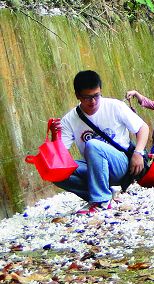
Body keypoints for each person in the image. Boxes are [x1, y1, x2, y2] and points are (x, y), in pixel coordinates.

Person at [54, 70, 149, 214]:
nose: (93, 101)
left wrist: (138, 153)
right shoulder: (69, 119)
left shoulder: (114, 106)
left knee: (92, 145)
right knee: (56, 171)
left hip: (120, 164)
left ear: (100, 92)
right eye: (87, 97)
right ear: (78, 96)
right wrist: (55, 135)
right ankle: (104, 194)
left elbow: (143, 128)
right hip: (93, 168)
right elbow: (60, 154)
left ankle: (101, 201)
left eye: (96, 96)